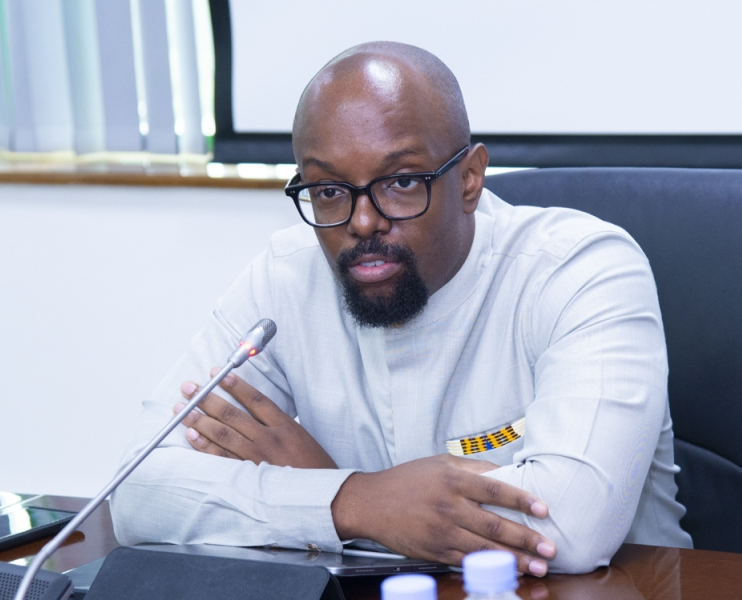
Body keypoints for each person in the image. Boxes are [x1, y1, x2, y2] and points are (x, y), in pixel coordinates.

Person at [111, 41, 692, 576]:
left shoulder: (581, 270)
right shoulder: (285, 277)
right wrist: (355, 500)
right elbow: (137, 492)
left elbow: (569, 530)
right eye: (329, 191)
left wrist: (322, 487)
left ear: (469, 178)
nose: (363, 222)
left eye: (401, 182)